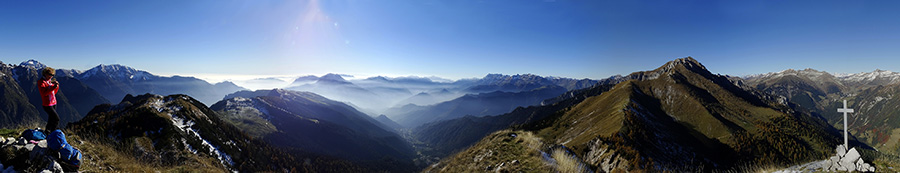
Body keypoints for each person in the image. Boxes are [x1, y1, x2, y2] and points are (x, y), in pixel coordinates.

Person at [38, 67, 60, 132]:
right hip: (47, 104)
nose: (51, 76)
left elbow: (54, 93)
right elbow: (44, 93)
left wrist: (56, 87)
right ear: (45, 74)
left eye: (52, 75)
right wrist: (53, 87)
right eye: (50, 75)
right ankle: (53, 132)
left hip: (53, 102)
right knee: (56, 119)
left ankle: (47, 132)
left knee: (51, 119)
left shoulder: (49, 81)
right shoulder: (41, 82)